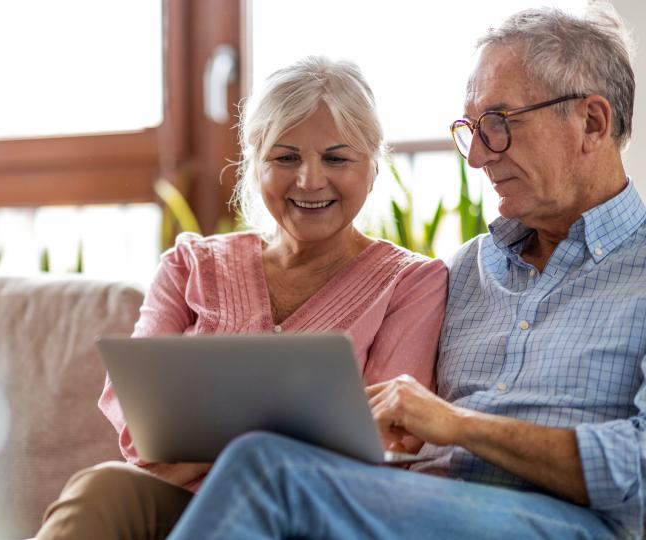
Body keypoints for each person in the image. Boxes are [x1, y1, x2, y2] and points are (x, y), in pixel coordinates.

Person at [165, 4, 645, 539]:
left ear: (592, 122)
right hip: (419, 503)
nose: (477, 158)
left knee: (269, 470)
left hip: (568, 523)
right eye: (471, 129)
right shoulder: (465, 270)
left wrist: (456, 424)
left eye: (498, 125)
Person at [35, 56, 448, 540]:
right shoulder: (189, 264)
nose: (310, 180)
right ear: (255, 164)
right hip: (181, 506)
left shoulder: (412, 282)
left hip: (303, 517)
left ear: (374, 168)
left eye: (337, 158)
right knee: (104, 486)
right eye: (285, 157)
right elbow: (139, 418)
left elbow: (384, 442)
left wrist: (203, 456)